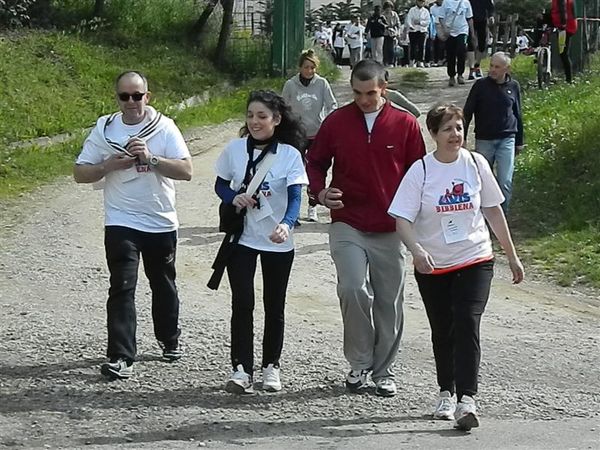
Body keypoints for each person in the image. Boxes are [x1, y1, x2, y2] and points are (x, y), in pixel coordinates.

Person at [388, 103, 524, 431]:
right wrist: (417, 250)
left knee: (466, 321)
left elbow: (492, 211)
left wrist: (511, 255)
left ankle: (467, 399)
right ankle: (446, 391)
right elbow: (401, 220)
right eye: (447, 129)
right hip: (433, 263)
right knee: (443, 329)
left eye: (460, 128)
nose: (455, 135)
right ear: (433, 134)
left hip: (475, 257)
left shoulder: (476, 164)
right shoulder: (420, 171)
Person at [306, 60, 426, 397]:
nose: (363, 100)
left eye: (370, 93)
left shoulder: (405, 125)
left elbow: (419, 176)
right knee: (353, 288)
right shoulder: (337, 122)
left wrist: (418, 224)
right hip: (348, 221)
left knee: (388, 301)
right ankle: (359, 362)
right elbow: (315, 162)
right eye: (357, 93)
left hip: (391, 227)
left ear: (384, 88)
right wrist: (319, 192)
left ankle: (384, 370)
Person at [73, 71, 193, 380]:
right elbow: (79, 173)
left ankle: (169, 337)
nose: (131, 102)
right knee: (122, 285)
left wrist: (151, 159)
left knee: (162, 282)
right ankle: (121, 356)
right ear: (117, 98)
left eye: (137, 96)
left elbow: (186, 170)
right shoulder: (105, 129)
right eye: (124, 96)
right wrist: (106, 166)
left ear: (147, 97)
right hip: (121, 219)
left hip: (159, 219)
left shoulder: (164, 127)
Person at [214, 90, 308, 395]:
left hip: (277, 241)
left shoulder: (290, 155)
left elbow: (296, 196)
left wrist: (287, 224)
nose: (255, 122)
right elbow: (220, 183)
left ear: (276, 120)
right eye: (250, 115)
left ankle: (271, 366)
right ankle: (241, 368)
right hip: (242, 238)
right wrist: (233, 197)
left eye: (262, 116)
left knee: (274, 304)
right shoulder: (235, 150)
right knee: (242, 302)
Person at [463, 52, 524, 214]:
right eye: (491, 65)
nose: (492, 70)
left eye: (497, 67)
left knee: (505, 180)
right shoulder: (480, 86)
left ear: (507, 69)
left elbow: (518, 114)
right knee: (482, 180)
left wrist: (519, 141)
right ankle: (482, 214)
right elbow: (467, 112)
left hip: (507, 139)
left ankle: (501, 215)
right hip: (485, 140)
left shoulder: (514, 86)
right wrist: (462, 138)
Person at [282, 49, 337, 222]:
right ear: (300, 68)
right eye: (306, 67)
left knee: (314, 170)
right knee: (295, 171)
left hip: (316, 133)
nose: (310, 71)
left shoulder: (322, 84)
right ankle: (293, 209)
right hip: (297, 134)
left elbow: (332, 105)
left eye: (313, 68)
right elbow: (282, 108)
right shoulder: (290, 85)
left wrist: (328, 124)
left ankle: (312, 206)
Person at [438, 0, 477, 86]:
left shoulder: (466, 2)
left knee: (461, 51)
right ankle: (451, 76)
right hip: (449, 31)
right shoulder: (446, 2)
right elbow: (441, 17)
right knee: (450, 54)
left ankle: (460, 74)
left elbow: (469, 18)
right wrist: (444, 28)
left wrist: (472, 32)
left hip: (462, 30)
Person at [551, 0, 578, 83]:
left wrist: (563, 24)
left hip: (565, 27)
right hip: (569, 25)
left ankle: (569, 79)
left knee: (563, 54)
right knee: (563, 53)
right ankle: (568, 78)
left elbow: (563, 10)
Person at [467, 0, 495, 79]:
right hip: (470, 19)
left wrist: (491, 16)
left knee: (482, 44)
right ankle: (471, 69)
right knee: (470, 43)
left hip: (482, 20)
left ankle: (477, 65)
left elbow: (491, 7)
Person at [406, 0, 431, 68]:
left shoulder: (425, 11)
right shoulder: (412, 10)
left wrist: (420, 22)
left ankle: (420, 61)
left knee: (422, 46)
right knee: (413, 46)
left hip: (422, 30)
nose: (421, 3)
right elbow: (409, 19)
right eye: (419, 1)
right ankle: (412, 61)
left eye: (422, 2)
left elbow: (428, 21)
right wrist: (411, 26)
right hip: (413, 30)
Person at [382, 1, 401, 66]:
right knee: (385, 49)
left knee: (391, 48)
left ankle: (391, 62)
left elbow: (398, 24)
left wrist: (397, 32)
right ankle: (385, 61)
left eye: (389, 7)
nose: (388, 9)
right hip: (385, 33)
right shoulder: (382, 15)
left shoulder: (394, 14)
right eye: (387, 8)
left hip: (393, 33)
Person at [430, 0, 447, 66]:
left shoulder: (446, 6)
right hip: (436, 25)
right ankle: (436, 60)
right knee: (436, 44)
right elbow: (431, 19)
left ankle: (444, 59)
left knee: (444, 44)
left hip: (444, 25)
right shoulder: (432, 8)